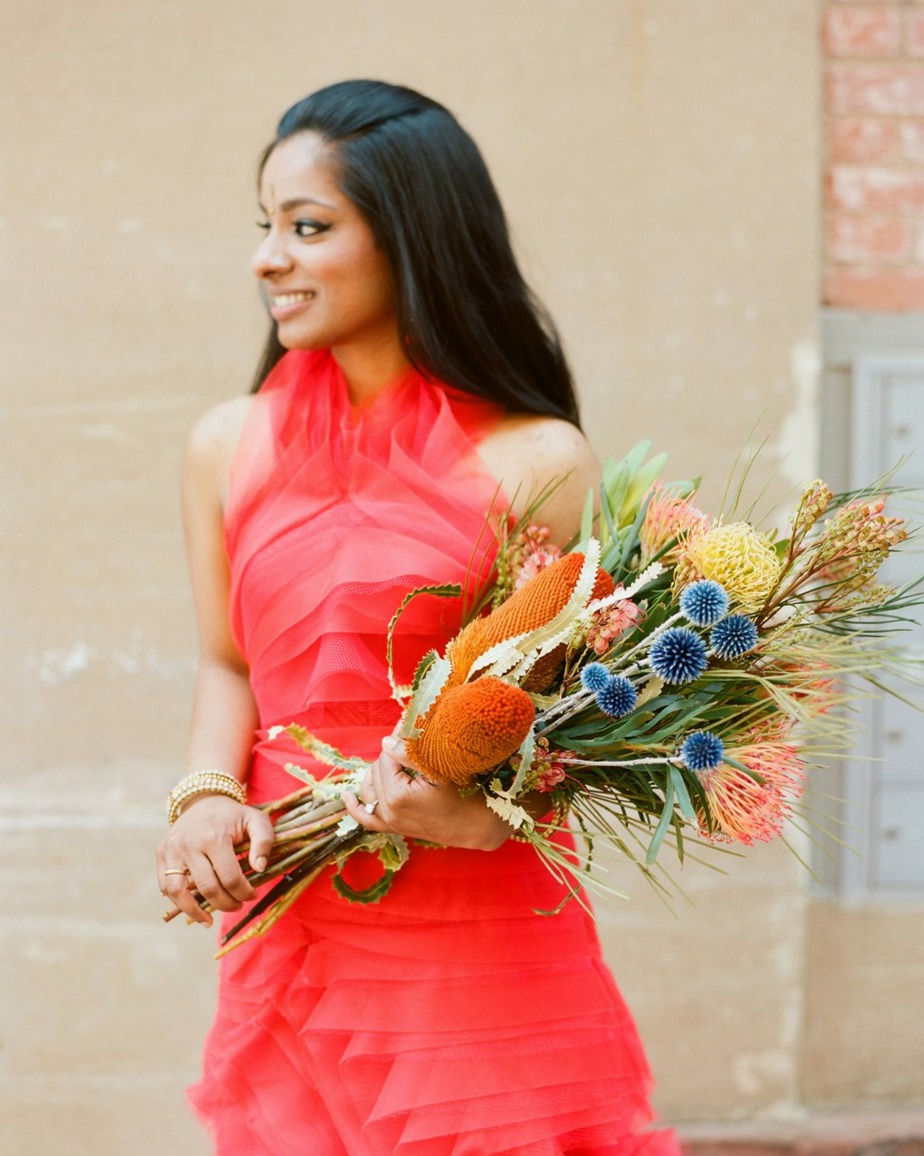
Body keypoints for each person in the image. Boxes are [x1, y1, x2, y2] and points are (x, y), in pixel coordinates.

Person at [156, 79, 679, 1156]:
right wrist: (204, 799)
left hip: (476, 922)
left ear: (410, 239)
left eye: (308, 227)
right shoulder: (226, 445)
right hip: (293, 907)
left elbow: (570, 708)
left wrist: (490, 814)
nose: (268, 258)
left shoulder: (538, 460)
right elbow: (227, 661)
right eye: (266, 227)